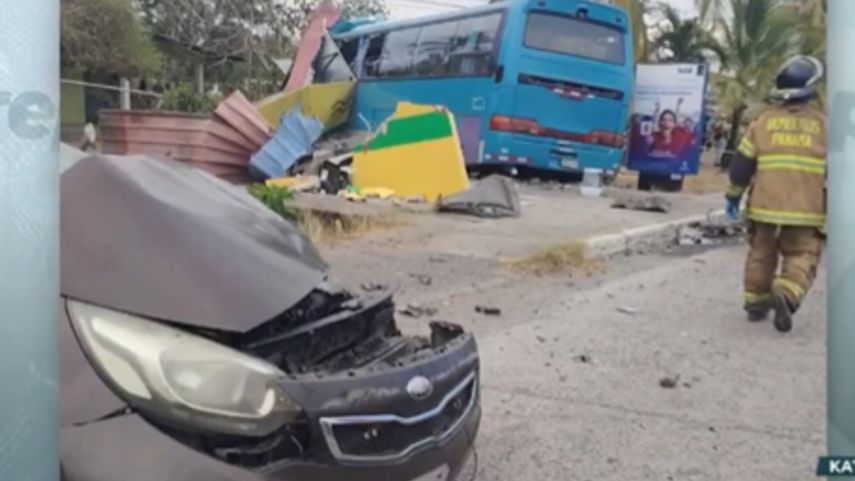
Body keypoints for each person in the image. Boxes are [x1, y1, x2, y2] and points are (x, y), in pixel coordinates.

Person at [724, 55, 826, 333]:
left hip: (765, 206)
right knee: (802, 253)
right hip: (807, 210)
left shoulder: (763, 123)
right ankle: (786, 292)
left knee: (761, 253)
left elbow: (742, 164)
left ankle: (755, 303)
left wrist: (733, 195)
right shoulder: (824, 126)